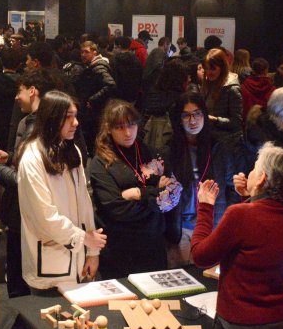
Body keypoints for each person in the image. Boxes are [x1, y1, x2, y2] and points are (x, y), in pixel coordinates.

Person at [192, 143, 283, 329]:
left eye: (253, 168)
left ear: (261, 178)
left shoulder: (240, 215)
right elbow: (259, 232)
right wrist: (250, 196)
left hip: (240, 327)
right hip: (277, 323)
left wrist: (205, 207)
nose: (248, 173)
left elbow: (200, 256)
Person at [17, 90, 106, 329]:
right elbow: (45, 219)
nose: (75, 122)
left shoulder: (72, 150)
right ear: (52, 118)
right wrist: (84, 240)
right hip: (49, 261)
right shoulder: (31, 158)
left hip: (77, 256)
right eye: (69, 117)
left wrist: (92, 252)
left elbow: (84, 202)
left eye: (76, 116)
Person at [0, 68, 56, 329]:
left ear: (34, 91)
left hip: (27, 218)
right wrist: (10, 158)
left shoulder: (40, 127)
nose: (16, 96)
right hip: (21, 216)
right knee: (21, 281)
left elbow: (27, 180)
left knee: (22, 283)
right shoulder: (30, 123)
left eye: (20, 90)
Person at [88, 100, 170, 278]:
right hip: (120, 251)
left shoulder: (150, 152)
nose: (127, 132)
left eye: (131, 125)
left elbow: (173, 195)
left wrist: (138, 193)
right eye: (120, 127)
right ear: (109, 128)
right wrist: (154, 193)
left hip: (154, 245)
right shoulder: (100, 163)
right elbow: (117, 209)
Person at [166, 92, 240, 267]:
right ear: (179, 118)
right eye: (186, 115)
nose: (193, 121)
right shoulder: (171, 149)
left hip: (214, 226)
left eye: (198, 114)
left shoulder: (218, 147)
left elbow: (231, 187)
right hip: (182, 228)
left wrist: (225, 220)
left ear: (205, 115)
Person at [73, 40, 115, 155]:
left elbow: (110, 84)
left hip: (96, 111)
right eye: (81, 52)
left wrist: (93, 99)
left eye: (86, 52)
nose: (83, 55)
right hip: (94, 110)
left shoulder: (98, 67)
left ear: (94, 52)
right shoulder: (93, 66)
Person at [202, 48, 243, 146]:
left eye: (212, 68)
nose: (208, 72)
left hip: (224, 143)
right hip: (210, 138)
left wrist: (216, 120)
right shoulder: (209, 83)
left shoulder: (232, 89)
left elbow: (237, 122)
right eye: (206, 68)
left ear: (222, 67)